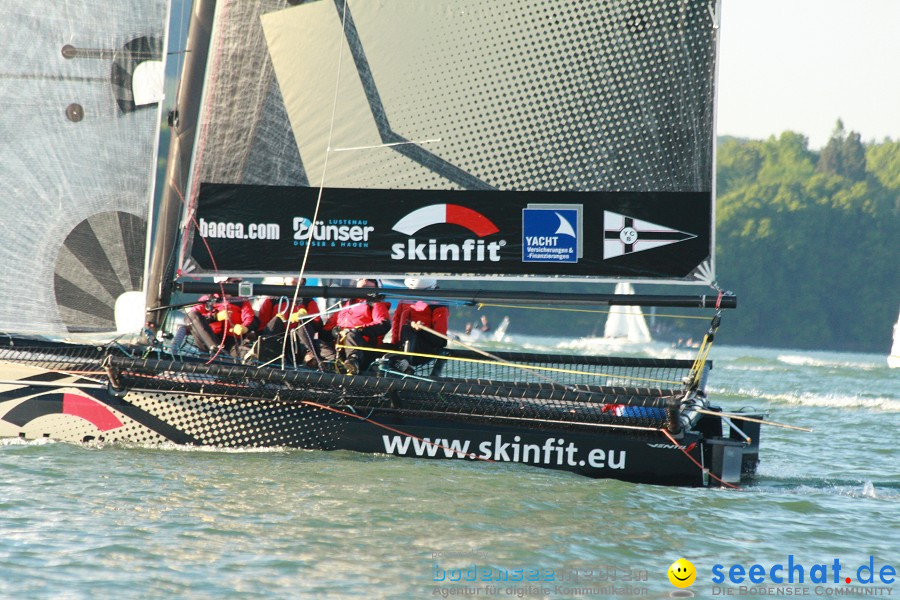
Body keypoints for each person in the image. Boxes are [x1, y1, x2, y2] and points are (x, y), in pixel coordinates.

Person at [255, 278, 327, 368]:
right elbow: (262, 322)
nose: (293, 278)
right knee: (276, 321)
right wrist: (278, 319)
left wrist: (304, 315)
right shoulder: (273, 297)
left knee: (303, 320)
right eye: (290, 275)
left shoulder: (307, 299)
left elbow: (316, 323)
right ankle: (270, 354)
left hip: (298, 338)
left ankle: (308, 355)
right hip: (276, 336)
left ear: (302, 281)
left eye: (297, 277)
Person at [324, 278, 391, 375]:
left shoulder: (374, 304)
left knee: (352, 334)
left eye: (369, 280)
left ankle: (353, 362)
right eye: (360, 278)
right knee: (317, 343)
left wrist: (359, 329)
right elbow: (325, 330)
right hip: (339, 349)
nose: (364, 280)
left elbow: (383, 324)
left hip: (363, 349)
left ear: (376, 286)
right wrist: (335, 331)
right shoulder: (344, 306)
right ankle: (335, 362)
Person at [387, 278, 448, 374]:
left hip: (423, 351)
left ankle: (406, 362)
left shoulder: (438, 305)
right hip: (401, 347)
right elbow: (396, 323)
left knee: (408, 329)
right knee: (382, 349)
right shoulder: (404, 300)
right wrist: (394, 344)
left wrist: (422, 330)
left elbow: (441, 341)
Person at [185, 277, 257, 358]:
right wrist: (215, 317)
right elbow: (192, 318)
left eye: (240, 281)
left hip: (233, 342)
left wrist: (244, 327)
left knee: (244, 351)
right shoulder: (207, 300)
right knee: (192, 315)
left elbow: (249, 317)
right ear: (223, 282)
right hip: (209, 341)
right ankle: (216, 350)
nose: (239, 284)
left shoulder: (242, 301)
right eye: (235, 282)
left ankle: (247, 358)